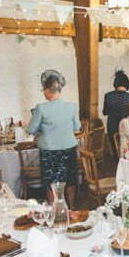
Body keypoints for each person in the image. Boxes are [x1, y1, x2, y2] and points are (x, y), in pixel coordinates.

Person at [27, 70, 79, 205]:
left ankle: (54, 208)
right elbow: (77, 127)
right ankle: (72, 207)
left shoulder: (41, 108)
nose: (43, 92)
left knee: (50, 180)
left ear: (48, 90)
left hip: (49, 150)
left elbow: (31, 129)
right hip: (69, 147)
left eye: (43, 89)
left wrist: (41, 129)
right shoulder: (71, 107)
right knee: (70, 179)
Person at [103, 70, 129, 155]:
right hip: (126, 127)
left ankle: (116, 164)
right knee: (127, 150)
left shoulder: (108, 96)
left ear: (115, 84)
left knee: (115, 150)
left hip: (112, 127)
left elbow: (105, 112)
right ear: (127, 84)